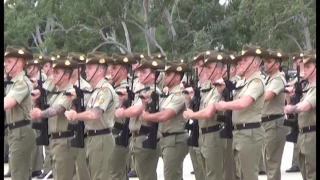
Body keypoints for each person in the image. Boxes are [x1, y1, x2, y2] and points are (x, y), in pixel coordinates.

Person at [215, 45, 267, 180]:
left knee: (248, 175)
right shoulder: (243, 82)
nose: (240, 63)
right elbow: (234, 97)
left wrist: (225, 104)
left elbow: (244, 103)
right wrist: (222, 92)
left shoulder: (256, 81)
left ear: (255, 63)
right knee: (239, 175)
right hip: (239, 133)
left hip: (250, 134)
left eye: (244, 60)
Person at [64, 52, 117, 179]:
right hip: (94, 138)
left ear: (99, 70)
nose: (86, 70)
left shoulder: (105, 90)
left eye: (89, 67)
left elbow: (95, 114)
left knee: (100, 176)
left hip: (101, 138)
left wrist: (75, 116)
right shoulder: (95, 90)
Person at [115, 57, 164, 180]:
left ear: (154, 76)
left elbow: (137, 109)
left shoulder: (152, 92)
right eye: (140, 72)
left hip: (146, 137)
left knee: (147, 176)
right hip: (138, 138)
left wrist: (123, 112)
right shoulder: (142, 91)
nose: (140, 75)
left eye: (144, 72)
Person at [30, 58, 79, 180]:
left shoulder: (69, 93)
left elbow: (58, 109)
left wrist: (40, 113)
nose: (53, 75)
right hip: (55, 141)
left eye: (57, 72)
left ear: (66, 75)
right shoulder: (55, 93)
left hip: (64, 141)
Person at [140, 61, 190, 179]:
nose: (164, 77)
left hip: (175, 139)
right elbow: (150, 120)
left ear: (177, 77)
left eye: (168, 74)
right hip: (166, 139)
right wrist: (145, 105)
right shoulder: (166, 95)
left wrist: (147, 116)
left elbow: (164, 116)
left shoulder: (179, 95)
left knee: (171, 176)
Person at [183, 51, 226, 179]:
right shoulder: (204, 88)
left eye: (208, 67)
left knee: (214, 176)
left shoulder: (219, 87)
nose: (199, 69)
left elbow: (208, 112)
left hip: (213, 135)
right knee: (202, 175)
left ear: (218, 70)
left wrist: (192, 115)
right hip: (202, 134)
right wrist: (187, 100)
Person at [4, 46, 37, 180]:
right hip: (16, 131)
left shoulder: (22, 82)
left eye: (9, 61)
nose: (5, 64)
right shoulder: (13, 83)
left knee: (19, 175)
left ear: (19, 63)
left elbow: (7, 103)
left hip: (21, 132)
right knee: (21, 173)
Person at [284, 51, 316, 180]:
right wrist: (289, 98)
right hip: (303, 134)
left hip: (313, 133)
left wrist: (290, 108)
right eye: (304, 66)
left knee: (312, 173)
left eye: (308, 66)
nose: (305, 69)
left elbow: (305, 106)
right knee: (305, 172)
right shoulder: (307, 86)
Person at [261, 49, 289, 180]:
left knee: (272, 163)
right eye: (265, 62)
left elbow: (268, 96)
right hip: (266, 123)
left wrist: (250, 96)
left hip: (275, 123)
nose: (265, 64)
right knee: (268, 162)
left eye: (269, 62)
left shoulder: (278, 79)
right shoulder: (268, 79)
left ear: (277, 64)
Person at [108, 53, 136, 180]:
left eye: (114, 68)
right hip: (114, 134)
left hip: (119, 134)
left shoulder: (125, 89)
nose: (110, 71)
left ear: (124, 71)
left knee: (115, 174)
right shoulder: (114, 87)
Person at [68, 52, 92, 180]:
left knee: (82, 172)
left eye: (74, 66)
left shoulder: (86, 87)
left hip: (80, 134)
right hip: (64, 135)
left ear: (80, 69)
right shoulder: (62, 84)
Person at [285, 52, 304, 173]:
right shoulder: (296, 78)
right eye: (295, 62)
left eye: (299, 61)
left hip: (304, 111)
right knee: (296, 135)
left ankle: (297, 163)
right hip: (296, 111)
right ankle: (296, 163)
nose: (296, 64)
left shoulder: (303, 78)